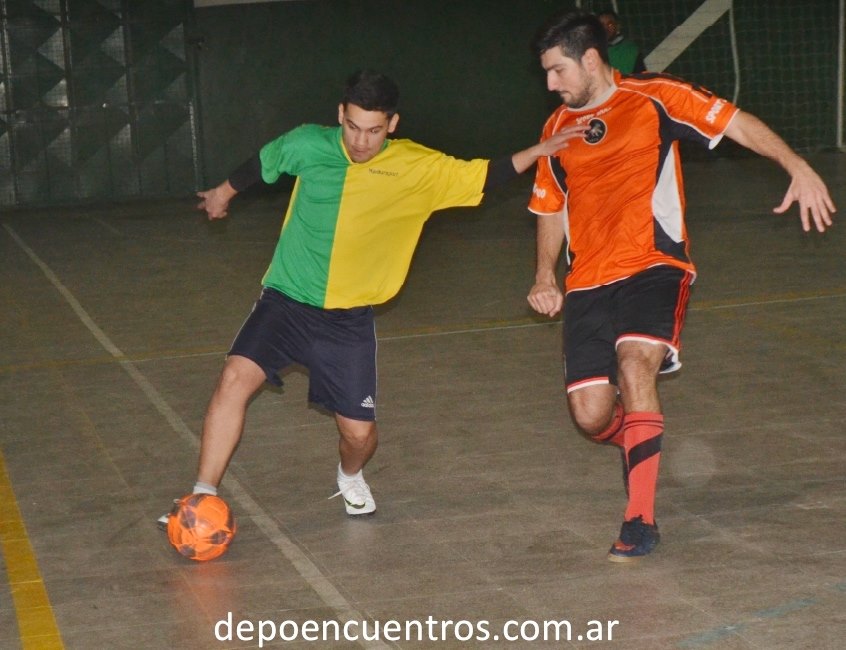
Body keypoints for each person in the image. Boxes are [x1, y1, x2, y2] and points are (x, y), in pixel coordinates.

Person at [158, 70, 584, 526]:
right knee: (233, 379)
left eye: (374, 130)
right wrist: (222, 193)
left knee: (359, 436)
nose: (361, 141)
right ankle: (201, 497)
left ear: (392, 124)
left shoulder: (416, 167)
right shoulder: (307, 143)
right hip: (285, 301)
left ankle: (350, 476)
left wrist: (540, 150)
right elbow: (263, 163)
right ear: (340, 114)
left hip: (347, 322)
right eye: (353, 127)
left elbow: (483, 175)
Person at [526, 11, 835, 562]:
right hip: (587, 282)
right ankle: (638, 439)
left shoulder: (655, 97)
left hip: (654, 265)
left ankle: (640, 518)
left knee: (635, 364)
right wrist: (544, 274)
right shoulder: (556, 128)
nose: (550, 83)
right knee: (591, 415)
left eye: (557, 70)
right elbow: (550, 206)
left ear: (590, 59)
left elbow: (735, 122)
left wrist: (797, 165)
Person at [597, 9, 646, 74]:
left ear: (617, 26)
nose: (605, 29)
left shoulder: (630, 49)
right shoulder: (594, 51)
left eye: (610, 25)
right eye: (602, 25)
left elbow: (641, 76)